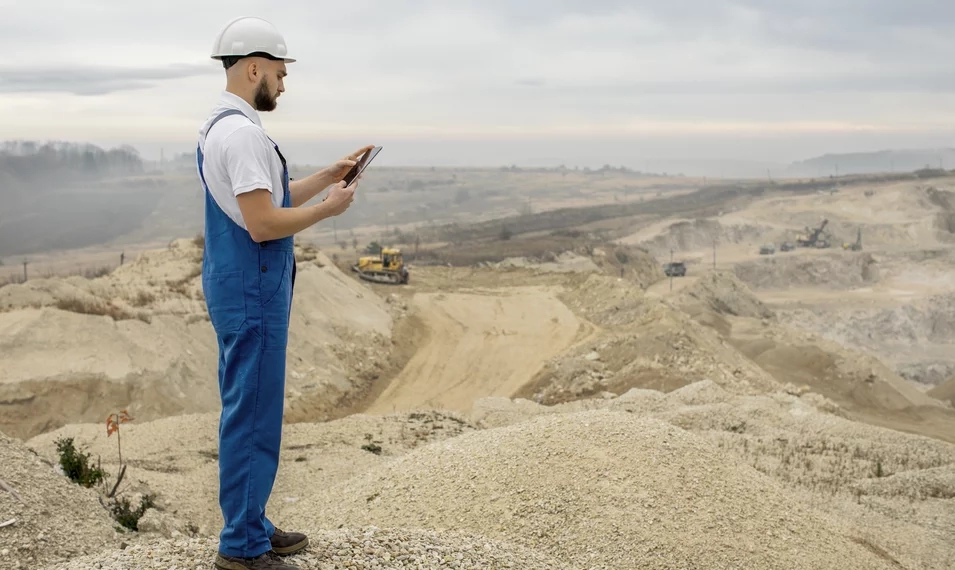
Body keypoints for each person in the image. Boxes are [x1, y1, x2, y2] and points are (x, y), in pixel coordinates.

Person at [196, 15, 374, 570]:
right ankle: (242, 547)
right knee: (253, 413)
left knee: (248, 406)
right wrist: (329, 209)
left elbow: (265, 197)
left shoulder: (221, 124)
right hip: (252, 285)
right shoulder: (244, 134)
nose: (284, 82)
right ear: (254, 68)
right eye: (280, 71)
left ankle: (250, 521)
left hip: (239, 281)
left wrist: (327, 177)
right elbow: (264, 223)